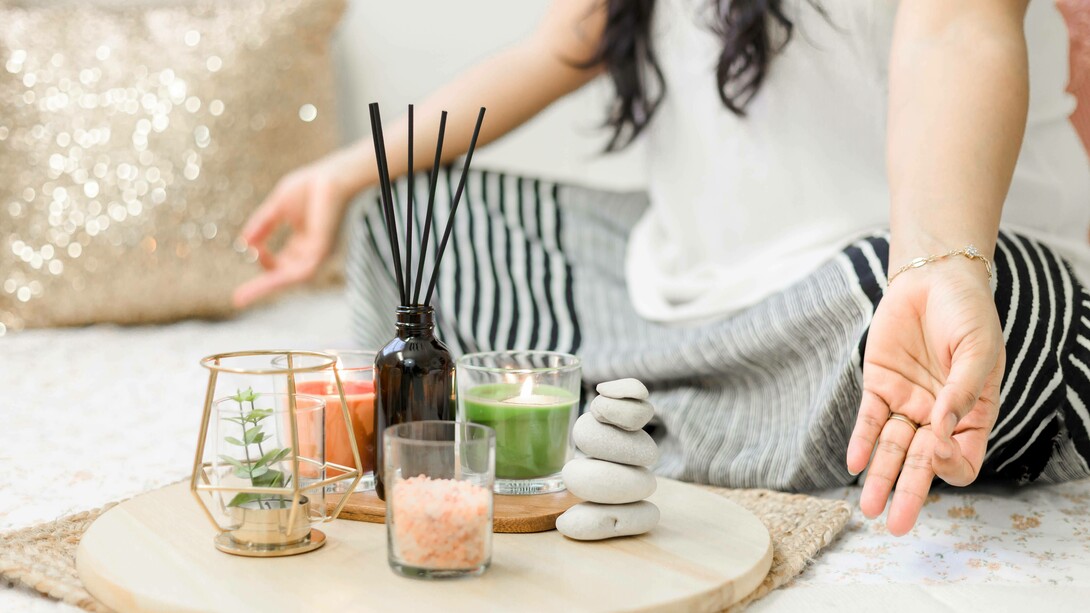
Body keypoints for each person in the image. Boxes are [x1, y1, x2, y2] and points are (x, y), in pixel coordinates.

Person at [234, 0, 1090, 535]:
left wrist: (939, 261)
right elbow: (553, 49)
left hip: (900, 281)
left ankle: (632, 415)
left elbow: (957, 29)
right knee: (406, 219)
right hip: (679, 290)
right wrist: (344, 173)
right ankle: (696, 415)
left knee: (1004, 318)